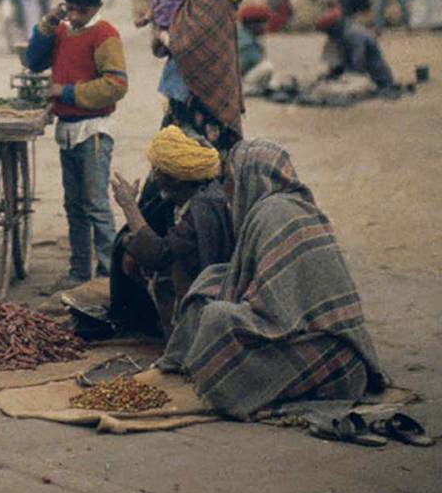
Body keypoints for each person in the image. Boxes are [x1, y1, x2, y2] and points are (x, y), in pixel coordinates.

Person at [159, 139, 385, 419]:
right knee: (211, 281)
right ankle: (187, 365)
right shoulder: (276, 207)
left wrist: (235, 307)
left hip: (330, 348)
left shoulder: (274, 213)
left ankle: (231, 389)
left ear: (252, 178)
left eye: (231, 179)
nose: (228, 188)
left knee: (218, 317)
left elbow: (275, 311)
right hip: (305, 326)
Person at [25, 0, 128, 290]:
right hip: (67, 130)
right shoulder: (61, 29)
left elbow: (116, 85)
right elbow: (33, 61)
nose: (74, 16)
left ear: (96, 7)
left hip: (93, 131)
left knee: (96, 204)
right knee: (74, 205)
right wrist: (48, 23)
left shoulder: (106, 35)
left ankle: (111, 276)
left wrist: (66, 92)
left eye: (81, 11)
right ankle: (80, 272)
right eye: (69, 9)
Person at [109, 125, 233, 338]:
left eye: (158, 170)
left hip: (206, 292)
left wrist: (129, 205)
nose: (154, 176)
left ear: (176, 177)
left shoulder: (203, 208)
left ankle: (178, 329)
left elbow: (158, 255)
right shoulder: (180, 197)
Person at [161, 0, 246, 155]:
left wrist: (165, 39)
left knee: (208, 158)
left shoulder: (214, 1)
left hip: (208, 102)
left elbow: (185, 46)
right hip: (186, 97)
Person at [135, 0, 190, 109]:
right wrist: (145, 20)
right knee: (171, 50)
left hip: (180, 27)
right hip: (164, 29)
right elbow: (152, 10)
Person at [315, 6, 398, 94]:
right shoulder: (341, 36)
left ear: (334, 27)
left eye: (328, 31)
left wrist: (342, 77)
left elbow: (358, 63)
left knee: (336, 90)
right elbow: (337, 63)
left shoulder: (354, 35)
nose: (328, 35)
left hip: (376, 79)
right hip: (359, 74)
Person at [236, 4, 276, 96]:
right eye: (263, 23)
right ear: (252, 25)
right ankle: (245, 90)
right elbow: (246, 66)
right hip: (234, 81)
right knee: (266, 67)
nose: (265, 26)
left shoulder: (243, 35)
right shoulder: (247, 43)